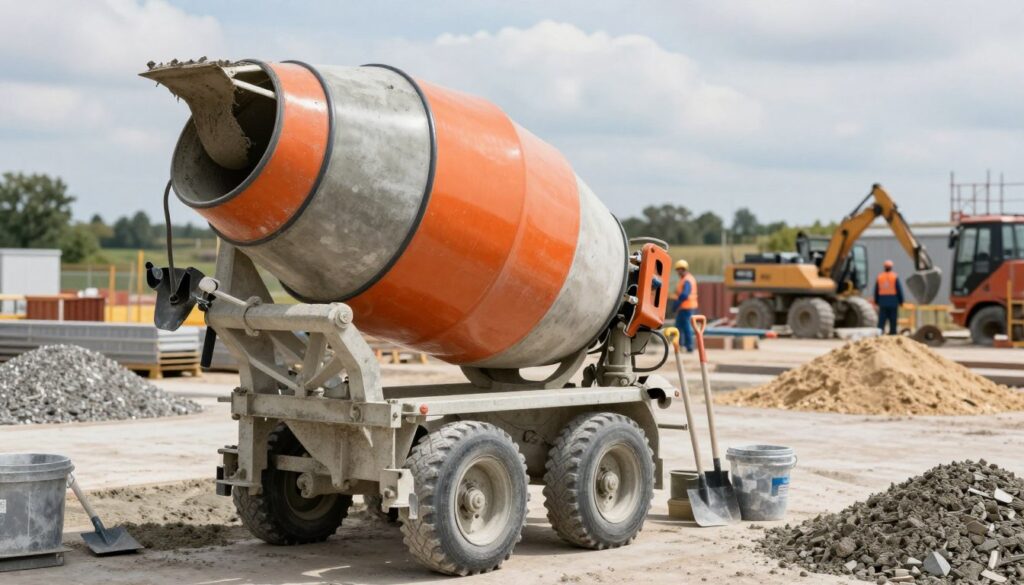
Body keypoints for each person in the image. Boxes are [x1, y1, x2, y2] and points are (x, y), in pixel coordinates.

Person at [671, 259, 699, 352]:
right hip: (684, 307)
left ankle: (689, 346)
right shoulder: (684, 279)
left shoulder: (687, 280)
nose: (679, 271)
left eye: (680, 269)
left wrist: (676, 304)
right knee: (679, 326)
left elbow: (684, 295)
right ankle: (680, 345)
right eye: (678, 269)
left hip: (687, 307)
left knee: (686, 327)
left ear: (684, 269)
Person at [874, 259, 904, 335]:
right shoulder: (894, 276)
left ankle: (879, 334)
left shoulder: (880, 277)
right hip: (893, 301)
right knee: (893, 320)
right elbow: (899, 290)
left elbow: (876, 290)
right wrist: (901, 301)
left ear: (884, 267)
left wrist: (876, 301)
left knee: (882, 320)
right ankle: (892, 334)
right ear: (891, 267)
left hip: (883, 301)